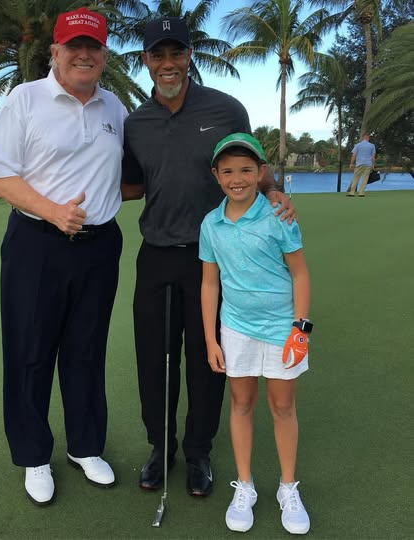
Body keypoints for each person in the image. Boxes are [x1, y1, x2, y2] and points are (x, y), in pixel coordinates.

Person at [121, 16, 296, 498]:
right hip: (156, 255)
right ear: (146, 61)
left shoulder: (225, 108)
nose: (168, 63)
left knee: (207, 359)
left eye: (176, 53)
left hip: (215, 260)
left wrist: (275, 191)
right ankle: (161, 449)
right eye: (158, 55)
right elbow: (130, 185)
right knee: (154, 360)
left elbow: (251, 166)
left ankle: (199, 451)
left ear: (189, 56)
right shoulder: (136, 123)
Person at [0, 7, 127, 506]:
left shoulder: (114, 109)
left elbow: (130, 176)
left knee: (86, 350)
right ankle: (34, 455)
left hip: (99, 247)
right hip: (36, 244)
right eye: (74, 46)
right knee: (30, 351)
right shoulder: (25, 99)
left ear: (103, 55)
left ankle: (85, 447)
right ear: (55, 51)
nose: (84, 55)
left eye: (93, 47)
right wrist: (54, 211)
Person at [200, 133, 311, 535]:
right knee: (241, 404)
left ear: (261, 172)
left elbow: (300, 274)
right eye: (228, 171)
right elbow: (209, 283)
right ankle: (244, 485)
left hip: (282, 328)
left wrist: (300, 329)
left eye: (246, 170)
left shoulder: (279, 215)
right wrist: (211, 339)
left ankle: (287, 487)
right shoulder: (211, 224)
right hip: (236, 328)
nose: (237, 179)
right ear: (216, 175)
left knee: (282, 407)